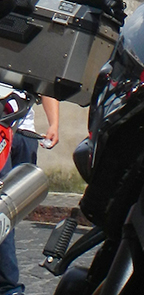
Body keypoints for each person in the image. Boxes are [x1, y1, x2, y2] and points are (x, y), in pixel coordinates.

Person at [0, 95, 58, 295]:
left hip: (22, 134)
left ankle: (8, 286)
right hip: (7, 131)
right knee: (4, 212)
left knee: (8, 215)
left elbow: (45, 82)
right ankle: (9, 287)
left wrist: (54, 123)